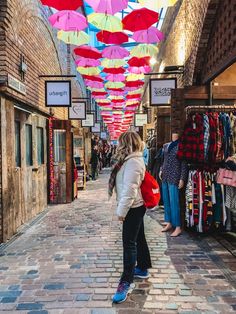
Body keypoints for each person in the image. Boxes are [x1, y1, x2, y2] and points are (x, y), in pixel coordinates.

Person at [108, 131, 152, 304]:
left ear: (126, 144)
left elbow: (130, 190)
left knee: (129, 244)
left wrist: (121, 212)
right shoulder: (129, 160)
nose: (118, 146)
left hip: (133, 207)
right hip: (135, 206)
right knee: (138, 238)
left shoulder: (133, 162)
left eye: (120, 143)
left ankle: (125, 282)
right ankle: (142, 267)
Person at [160, 133, 188, 237]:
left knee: (174, 202)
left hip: (175, 176)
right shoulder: (166, 146)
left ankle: (178, 226)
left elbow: (184, 164)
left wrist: (182, 178)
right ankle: (169, 222)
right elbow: (164, 161)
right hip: (165, 175)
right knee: (166, 200)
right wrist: (161, 169)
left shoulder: (181, 146)